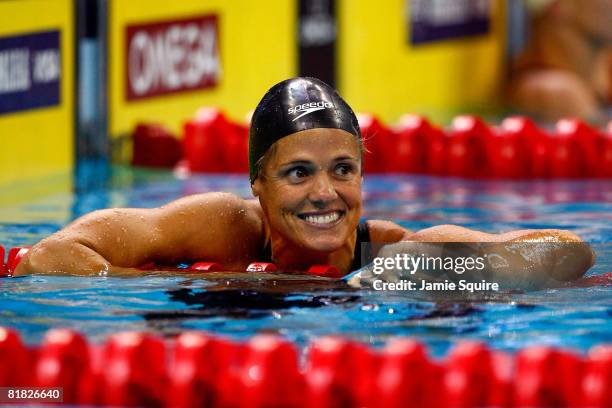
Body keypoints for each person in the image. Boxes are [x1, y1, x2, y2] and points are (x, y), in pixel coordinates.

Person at [14, 77, 594, 289]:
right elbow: (47, 257)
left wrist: (424, 269)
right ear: (257, 185)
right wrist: (146, 280)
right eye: (298, 173)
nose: (325, 192)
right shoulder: (221, 227)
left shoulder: (389, 251)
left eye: (343, 169)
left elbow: (570, 253)